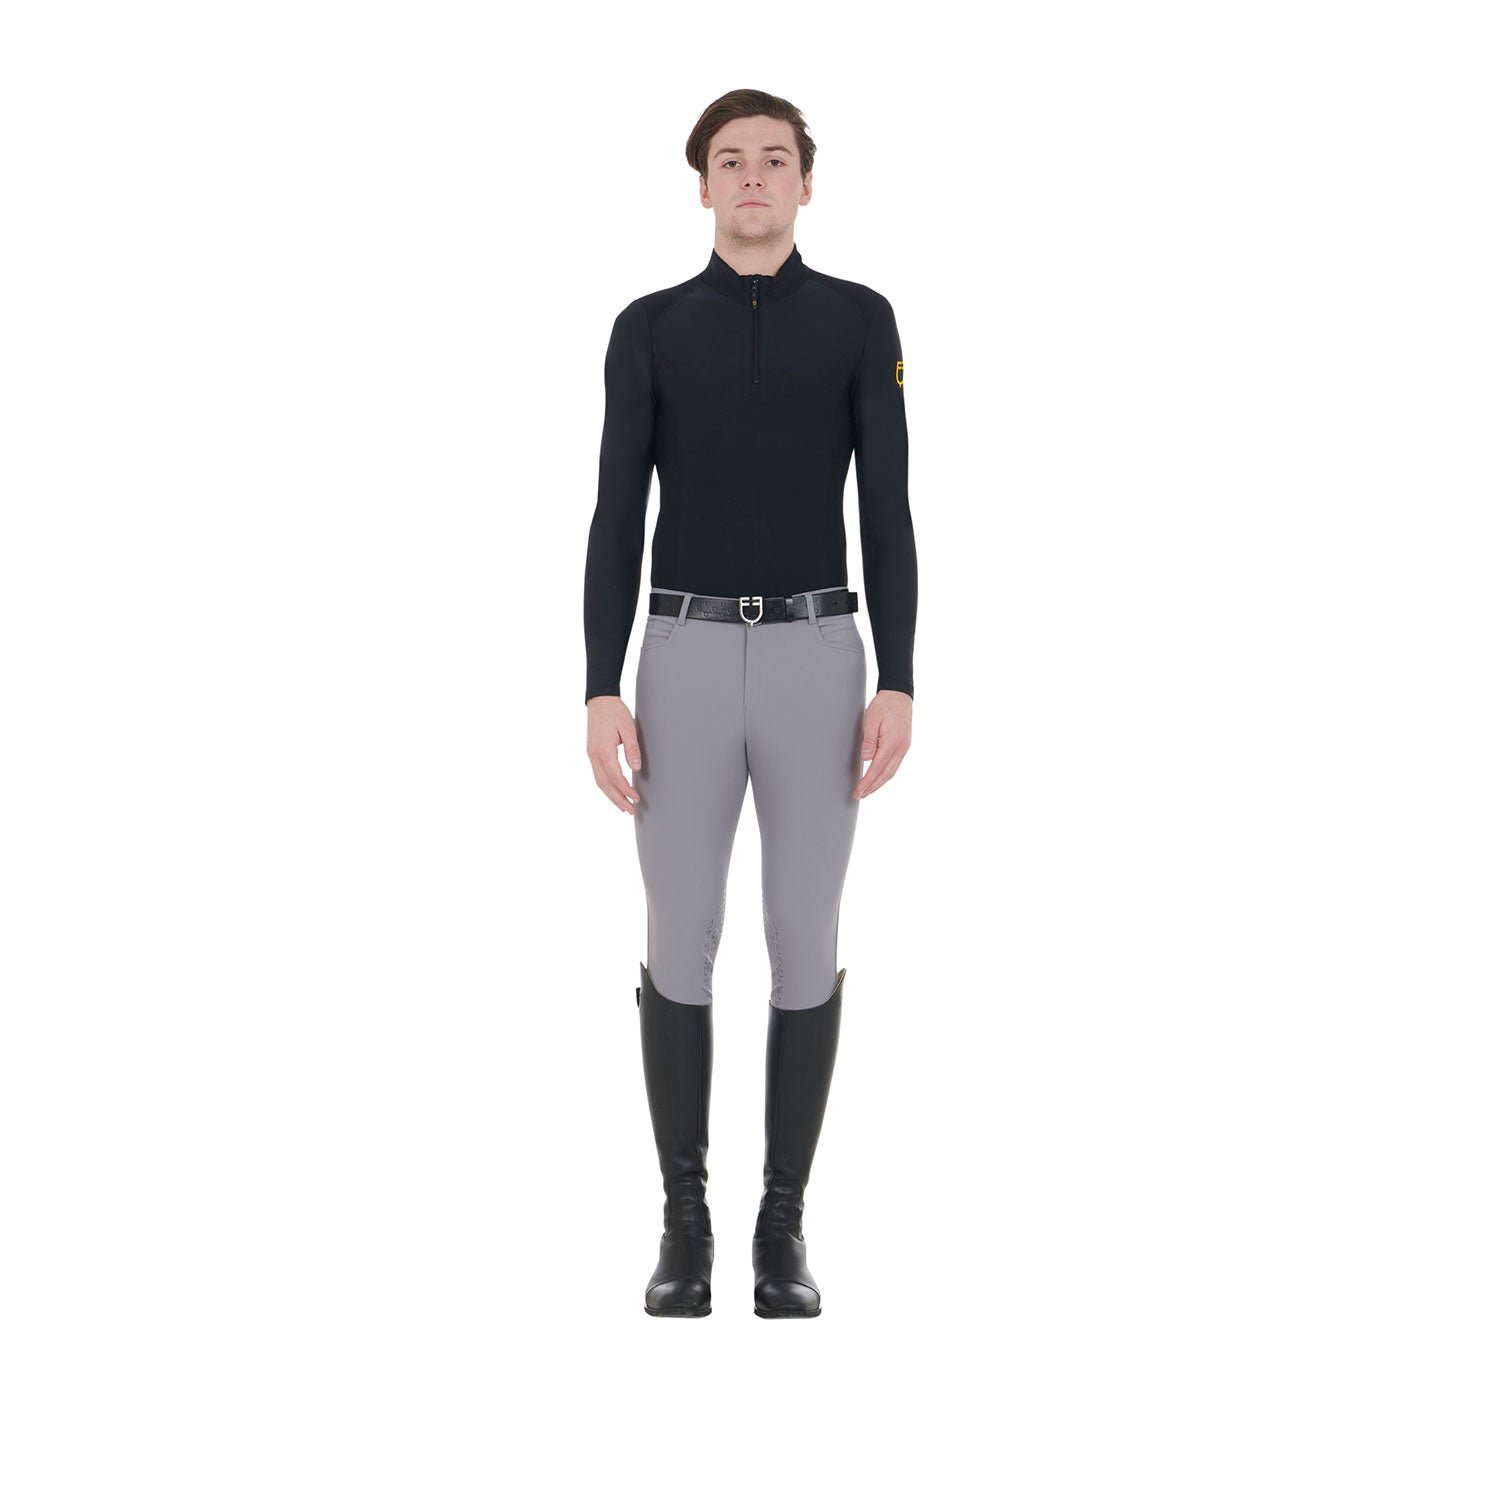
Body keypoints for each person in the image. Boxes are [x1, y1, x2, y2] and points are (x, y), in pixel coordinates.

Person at [583, 89, 918, 1319]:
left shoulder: (858, 320)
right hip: (680, 650)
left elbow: (887, 505)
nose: (755, 178)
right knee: (679, 935)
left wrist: (898, 674)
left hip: (818, 653)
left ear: (806, 184)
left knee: (804, 938)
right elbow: (617, 510)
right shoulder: (651, 328)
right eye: (731, 161)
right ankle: (687, 1224)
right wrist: (599, 684)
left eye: (776, 159)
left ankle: (783, 1227)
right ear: (704, 187)